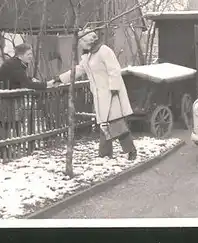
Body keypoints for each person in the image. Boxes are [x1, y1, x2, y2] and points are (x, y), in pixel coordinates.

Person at [50, 29, 138, 161]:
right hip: (99, 95)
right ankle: (106, 154)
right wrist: (60, 79)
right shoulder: (87, 56)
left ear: (88, 41)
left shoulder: (104, 51)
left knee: (116, 123)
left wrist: (113, 89)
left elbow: (114, 70)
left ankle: (129, 151)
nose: (80, 45)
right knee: (104, 124)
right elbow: (79, 70)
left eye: (81, 42)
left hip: (111, 93)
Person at [0, 43, 50, 140]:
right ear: (20, 55)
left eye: (31, 54)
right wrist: (46, 85)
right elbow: (26, 84)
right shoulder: (14, 65)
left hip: (11, 97)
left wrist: (30, 78)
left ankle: (11, 145)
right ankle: (3, 147)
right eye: (28, 54)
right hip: (7, 98)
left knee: (12, 122)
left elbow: (19, 78)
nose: (31, 56)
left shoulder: (17, 63)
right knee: (6, 123)